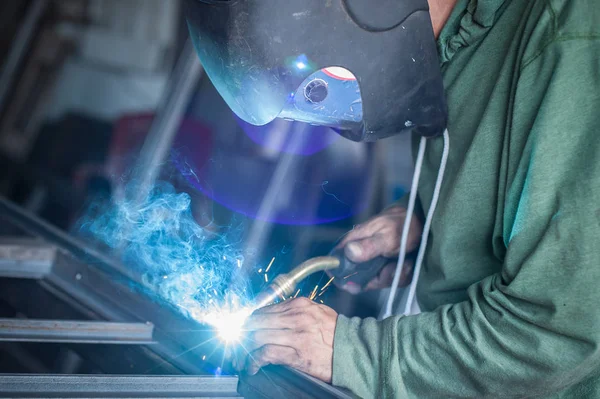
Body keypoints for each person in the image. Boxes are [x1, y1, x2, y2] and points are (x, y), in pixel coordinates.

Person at [190, 0, 600, 397]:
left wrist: (353, 354)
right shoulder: (449, 40)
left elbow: (557, 330)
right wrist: (425, 220)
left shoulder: (568, 40)